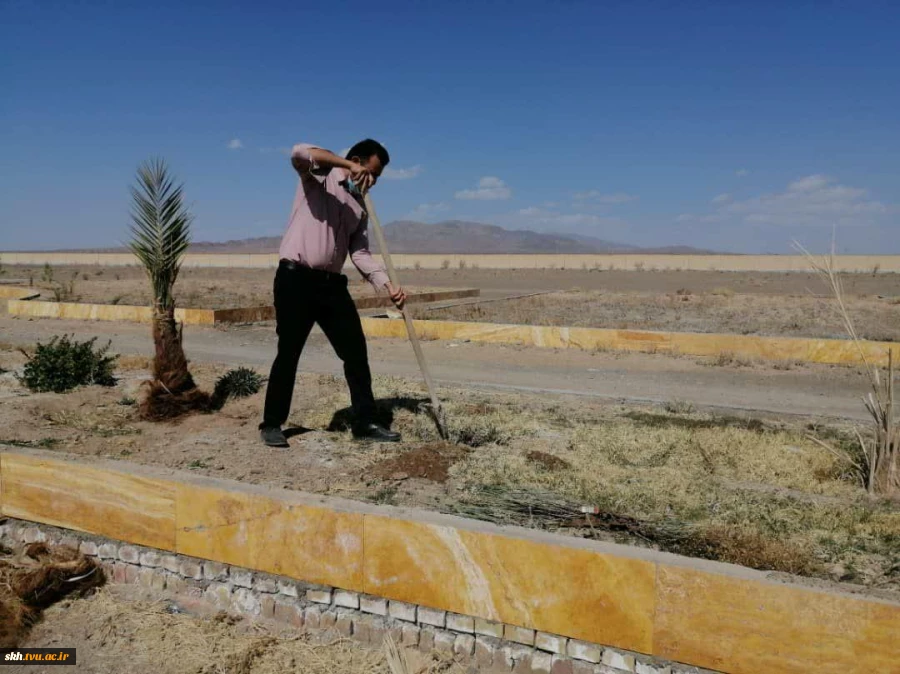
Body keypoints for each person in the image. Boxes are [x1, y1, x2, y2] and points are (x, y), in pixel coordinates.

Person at [258, 139, 407, 448]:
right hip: (295, 279)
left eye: (378, 177)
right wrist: (347, 166)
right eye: (372, 172)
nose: (373, 181)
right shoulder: (319, 176)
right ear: (356, 160)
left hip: (332, 285)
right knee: (289, 352)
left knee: (355, 351)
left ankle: (365, 421)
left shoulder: (359, 204)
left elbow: (360, 253)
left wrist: (386, 284)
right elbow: (299, 152)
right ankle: (272, 424)